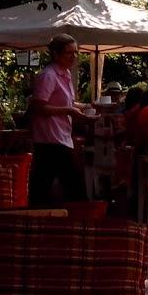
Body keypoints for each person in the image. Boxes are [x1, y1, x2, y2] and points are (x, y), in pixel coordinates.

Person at [28, 34, 87, 205]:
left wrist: (86, 106)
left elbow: (64, 100)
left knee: (44, 186)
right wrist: (69, 110)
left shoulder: (65, 73)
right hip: (49, 139)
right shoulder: (49, 76)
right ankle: (82, 217)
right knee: (73, 185)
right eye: (69, 53)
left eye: (76, 52)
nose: (74, 57)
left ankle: (42, 217)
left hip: (61, 137)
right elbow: (39, 107)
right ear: (55, 54)